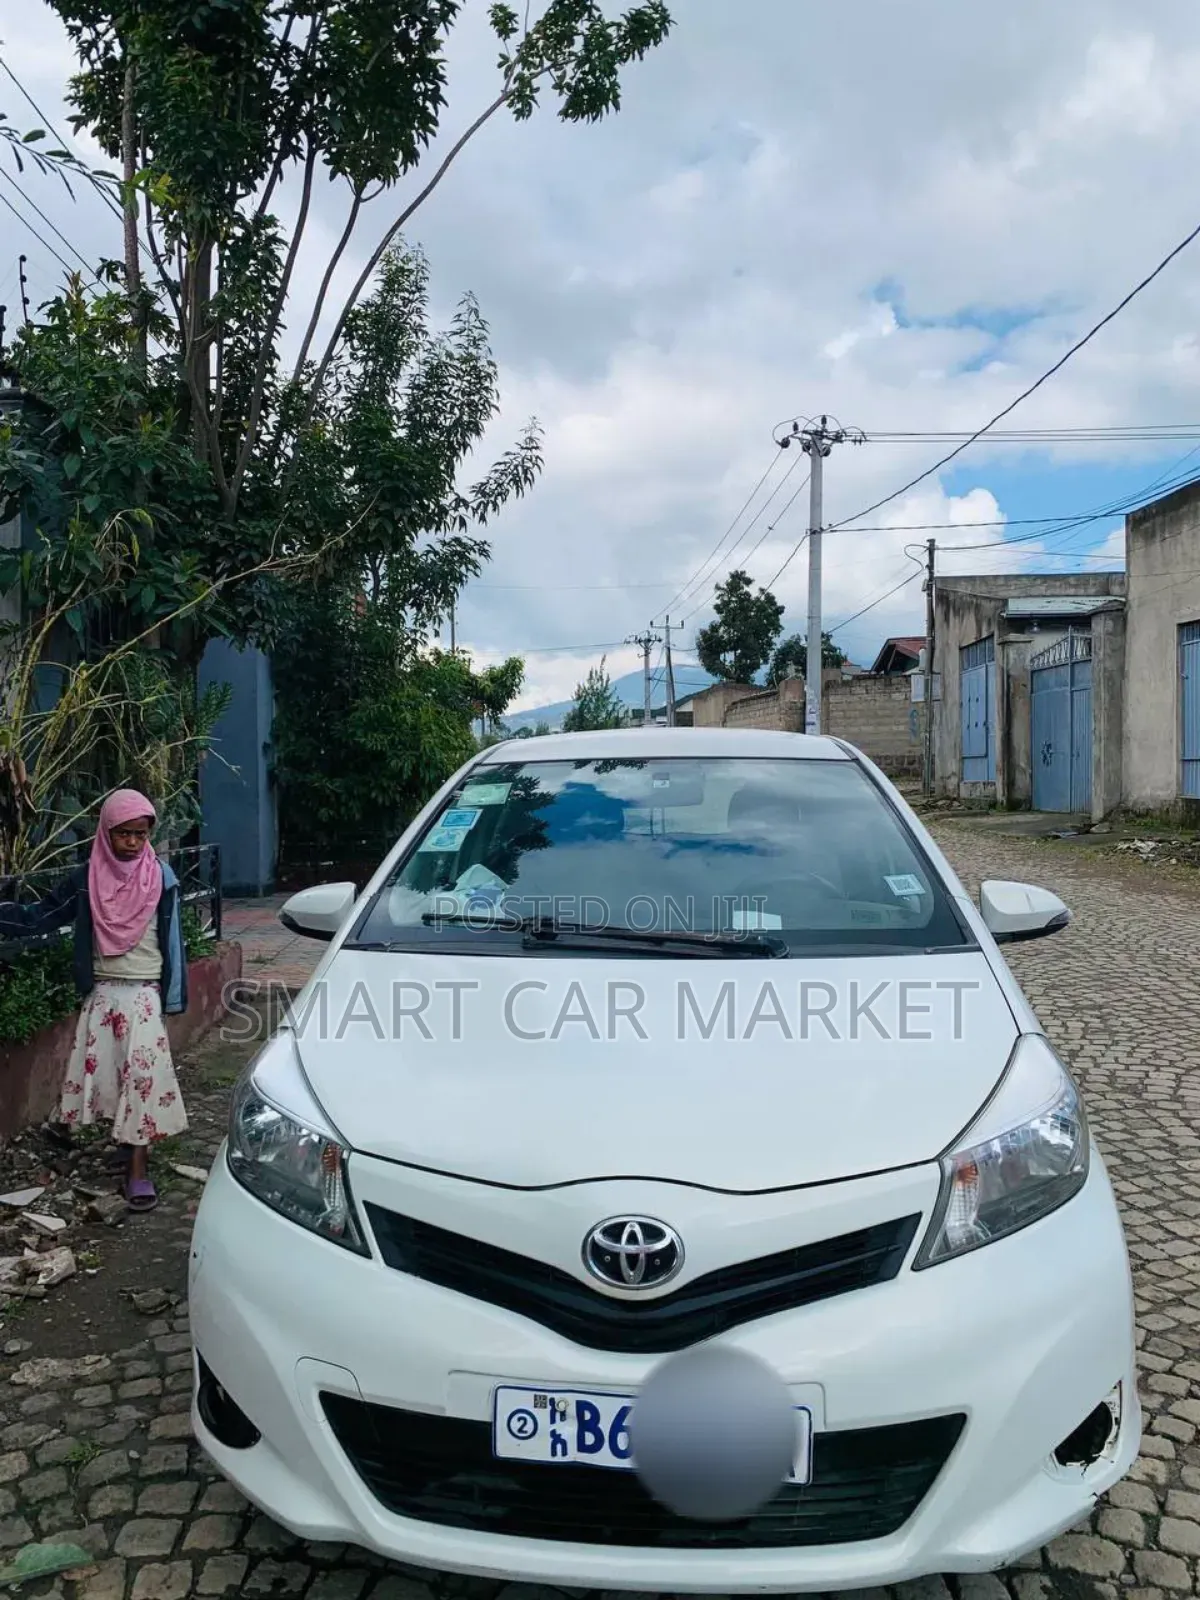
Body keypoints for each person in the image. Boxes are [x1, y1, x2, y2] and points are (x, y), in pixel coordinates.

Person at [0, 789, 189, 1211]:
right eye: (123, 834)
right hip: (103, 995)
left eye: (140, 834)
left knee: (141, 1080)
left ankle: (137, 1169)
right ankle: (121, 1144)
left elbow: (174, 940)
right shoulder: (86, 880)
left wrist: (174, 998)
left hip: (143, 996)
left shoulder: (162, 878)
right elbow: (42, 916)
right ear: (106, 833)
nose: (133, 843)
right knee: (109, 1080)